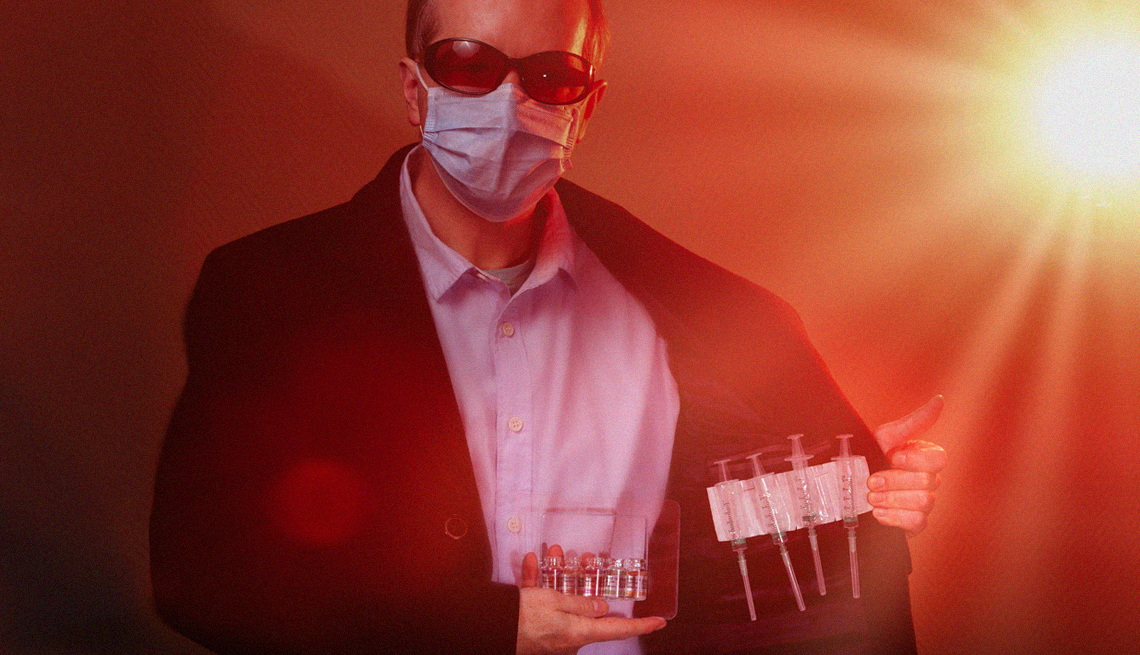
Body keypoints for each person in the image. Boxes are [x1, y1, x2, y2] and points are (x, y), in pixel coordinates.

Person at [149, 1, 948, 654]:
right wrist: (489, 628)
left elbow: (701, 547)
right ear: (414, 89)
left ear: (587, 105)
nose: (507, 103)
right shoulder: (272, 293)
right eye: (469, 63)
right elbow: (205, 576)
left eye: (550, 76)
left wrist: (837, 489)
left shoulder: (686, 311)